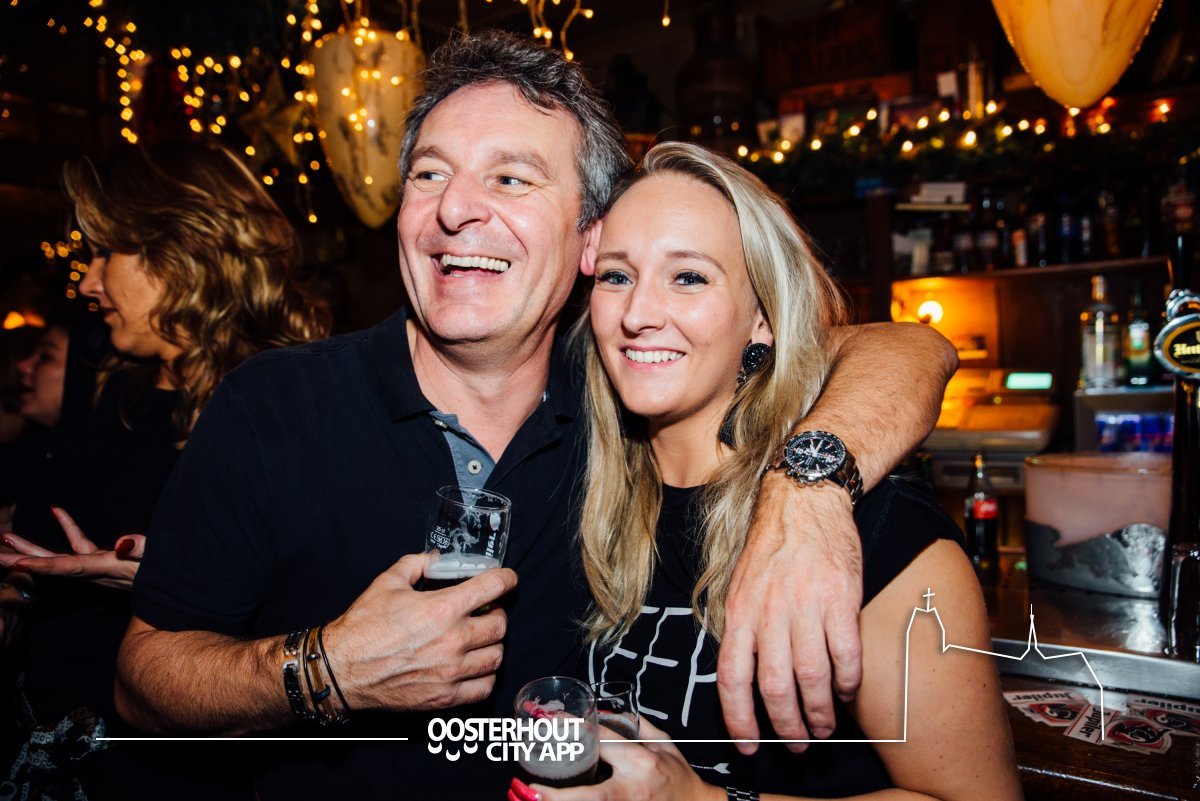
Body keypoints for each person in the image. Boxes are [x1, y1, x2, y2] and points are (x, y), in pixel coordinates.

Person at [117, 32, 956, 799]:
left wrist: (809, 490)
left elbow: (901, 348)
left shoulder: (624, 404)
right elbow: (141, 684)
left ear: (591, 238)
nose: (455, 210)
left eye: (511, 178)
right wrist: (324, 668)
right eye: (430, 174)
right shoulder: (274, 404)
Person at [523, 142, 1020, 801]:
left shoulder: (866, 525)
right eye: (616, 276)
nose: (638, 314)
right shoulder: (578, 477)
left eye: (689, 277)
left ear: (762, 319)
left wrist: (699, 800)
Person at [0, 140, 330, 801]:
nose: (88, 282)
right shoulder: (105, 375)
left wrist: (177, 584)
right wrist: (18, 597)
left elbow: (324, 636)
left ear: (182, 250)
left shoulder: (288, 408)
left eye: (106, 254)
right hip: (39, 745)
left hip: (166, 769)